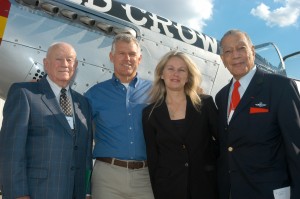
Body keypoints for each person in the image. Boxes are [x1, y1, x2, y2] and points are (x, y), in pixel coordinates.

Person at [0, 42, 93, 199]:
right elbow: (11, 151)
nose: (65, 64)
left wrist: (86, 191)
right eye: (58, 59)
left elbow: (85, 155)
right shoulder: (24, 93)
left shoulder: (82, 103)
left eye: (69, 60)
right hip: (36, 192)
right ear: (46, 63)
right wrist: (18, 193)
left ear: (75, 65)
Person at [215, 29, 300, 199]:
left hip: (270, 193)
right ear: (223, 59)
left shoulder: (281, 87)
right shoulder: (222, 96)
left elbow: (296, 148)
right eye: (228, 51)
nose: (235, 55)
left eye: (241, 48)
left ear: (252, 52)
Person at [84, 33, 154, 199]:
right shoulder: (94, 94)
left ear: (139, 58)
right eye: (121, 53)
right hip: (107, 177)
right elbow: (81, 138)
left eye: (132, 54)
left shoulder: (155, 92)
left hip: (145, 177)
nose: (127, 58)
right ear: (111, 57)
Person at [142, 50, 219, 199]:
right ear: (162, 74)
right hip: (168, 190)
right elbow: (153, 157)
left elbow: (222, 142)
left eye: (181, 70)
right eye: (170, 68)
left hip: (205, 187)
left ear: (188, 76)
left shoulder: (205, 104)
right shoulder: (149, 113)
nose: (175, 74)